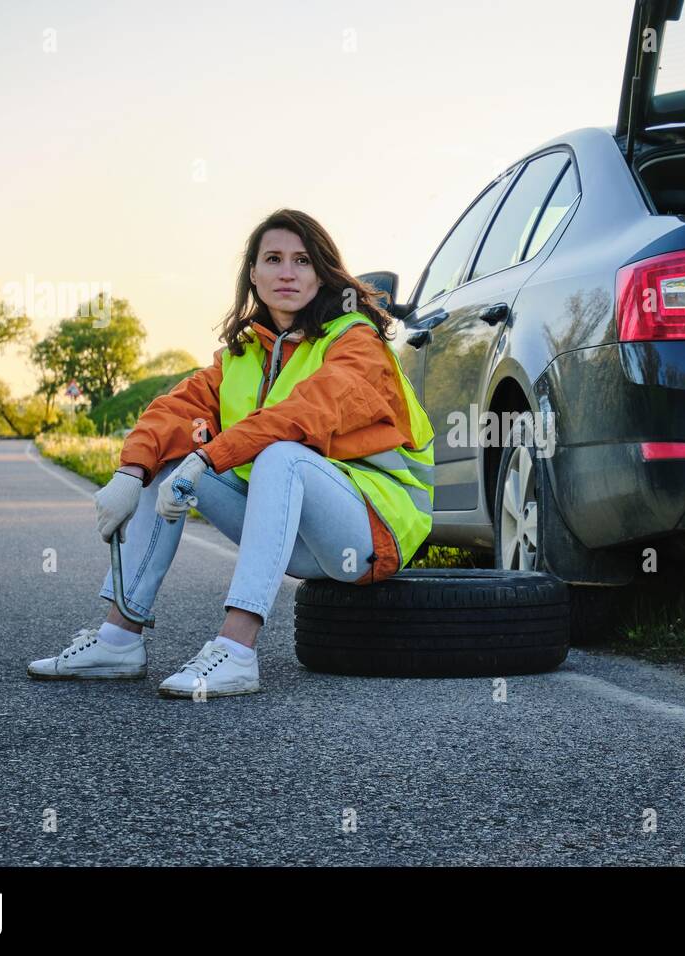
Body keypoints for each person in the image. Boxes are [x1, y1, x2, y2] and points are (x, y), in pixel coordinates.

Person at [27, 209, 435, 698]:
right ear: (254, 276)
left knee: (280, 454)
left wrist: (212, 456)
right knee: (173, 455)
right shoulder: (244, 355)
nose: (287, 272)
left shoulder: (355, 342)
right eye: (274, 259)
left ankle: (237, 651)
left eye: (303, 261)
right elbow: (175, 411)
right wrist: (131, 472)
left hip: (370, 532)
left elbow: (304, 415)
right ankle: (118, 637)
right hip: (297, 537)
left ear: (323, 271)